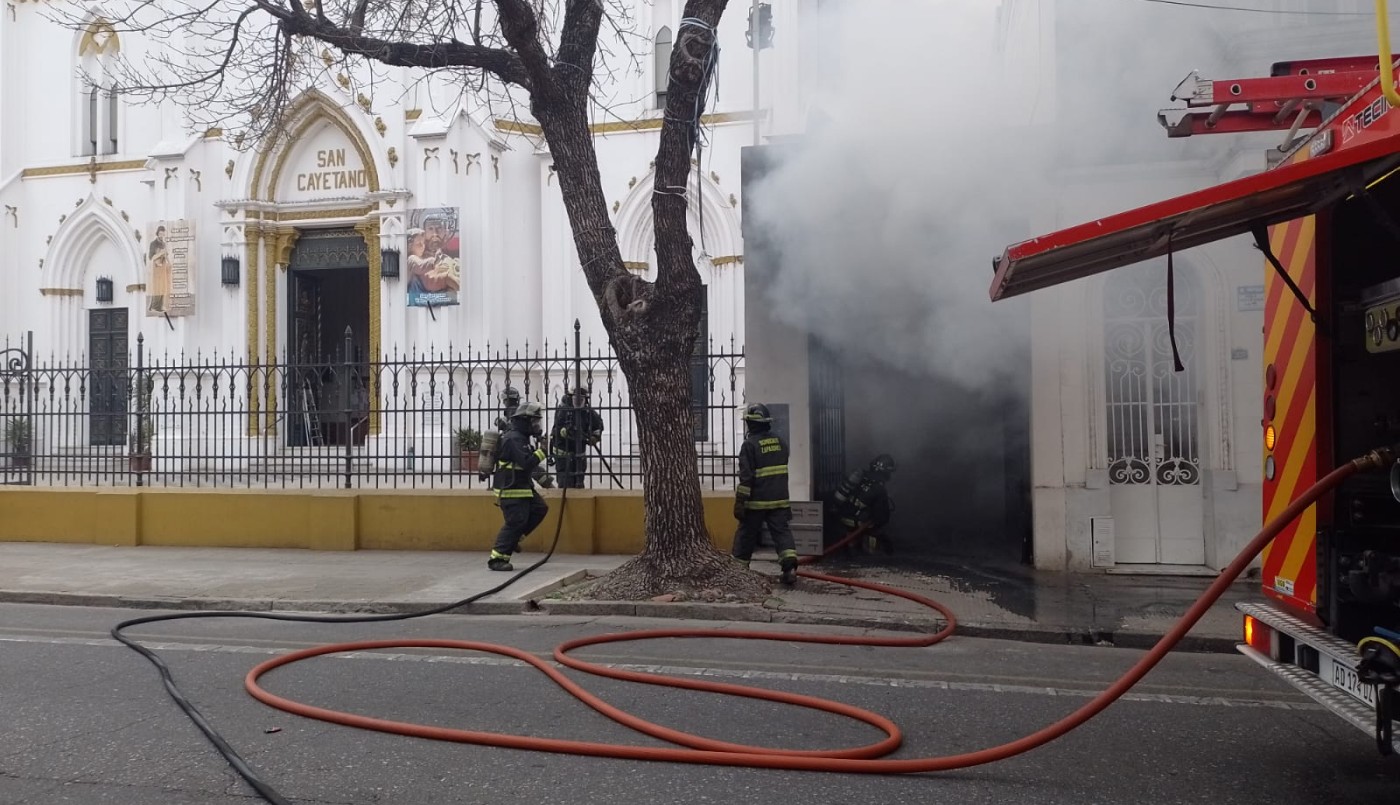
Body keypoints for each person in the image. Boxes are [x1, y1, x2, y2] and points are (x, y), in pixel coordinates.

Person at [730, 402, 799, 586]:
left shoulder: (749, 446)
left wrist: (740, 502)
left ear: (752, 424)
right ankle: (790, 568)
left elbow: (746, 478)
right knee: (782, 533)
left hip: (756, 502)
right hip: (780, 499)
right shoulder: (780, 442)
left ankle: (738, 571)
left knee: (746, 535)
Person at [488, 401, 550, 571]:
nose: (537, 425)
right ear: (524, 421)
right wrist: (543, 451)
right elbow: (527, 462)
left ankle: (515, 539)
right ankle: (497, 558)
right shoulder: (513, 439)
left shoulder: (521, 438)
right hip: (511, 489)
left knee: (539, 509)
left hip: (522, 486)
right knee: (515, 522)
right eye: (534, 422)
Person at [831, 453, 897, 554]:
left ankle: (851, 544)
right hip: (856, 521)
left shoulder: (861, 476)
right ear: (885, 472)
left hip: (843, 516)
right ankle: (870, 552)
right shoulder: (879, 489)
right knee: (875, 530)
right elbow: (881, 517)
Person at [550, 387, 604, 488]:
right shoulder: (563, 410)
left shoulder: (588, 412)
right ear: (571, 398)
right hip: (563, 455)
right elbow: (556, 429)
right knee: (565, 484)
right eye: (576, 399)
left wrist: (595, 437)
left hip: (579, 455)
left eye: (581, 400)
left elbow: (598, 426)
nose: (578, 402)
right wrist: (565, 432)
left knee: (578, 482)